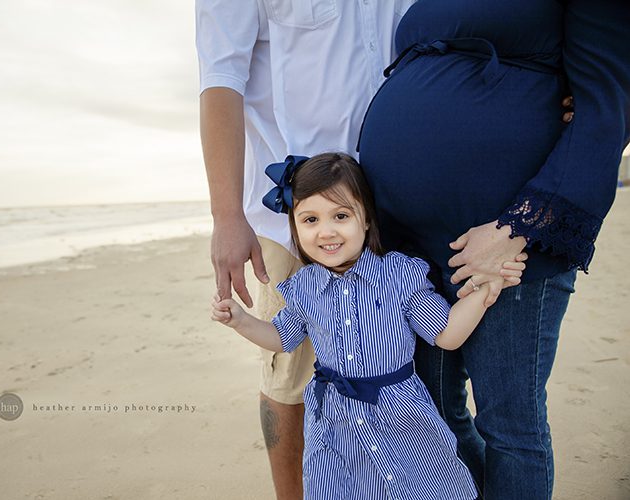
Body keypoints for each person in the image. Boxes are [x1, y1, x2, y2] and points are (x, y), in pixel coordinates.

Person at [356, 1, 630, 498]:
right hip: (407, 246)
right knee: (431, 413)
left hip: (505, 249)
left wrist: (515, 229)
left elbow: (606, 108)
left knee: (509, 425)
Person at [195, 2, 420, 497]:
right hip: (296, 219)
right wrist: (226, 215)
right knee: (290, 373)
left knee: (394, 363)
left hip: (396, 203)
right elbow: (221, 80)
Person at [211, 153, 525, 499]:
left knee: (419, 488)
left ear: (365, 221)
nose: (326, 231)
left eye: (341, 216)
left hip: (401, 418)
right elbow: (283, 338)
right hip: (334, 423)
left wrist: (485, 291)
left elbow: (447, 334)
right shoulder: (304, 288)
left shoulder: (399, 276)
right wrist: (241, 322)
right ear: (295, 229)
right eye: (310, 219)